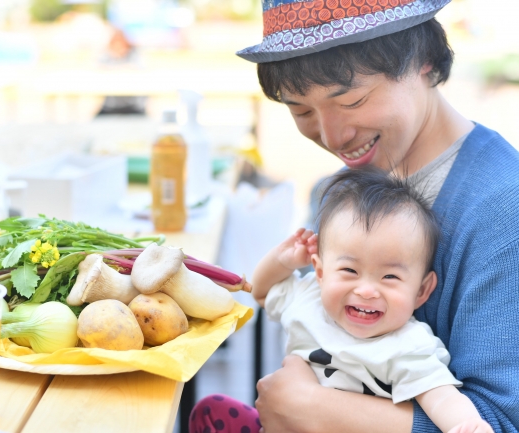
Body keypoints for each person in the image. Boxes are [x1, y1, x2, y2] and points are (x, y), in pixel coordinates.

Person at [190, 0, 519, 432]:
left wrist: (313, 409)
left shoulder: (503, 210)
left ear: (422, 62)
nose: (332, 136)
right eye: (301, 111)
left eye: (351, 100)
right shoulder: (334, 192)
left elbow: (499, 420)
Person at [189, 168, 492, 433]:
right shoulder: (308, 299)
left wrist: (466, 425)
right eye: (349, 270)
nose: (366, 290)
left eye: (389, 278)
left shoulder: (409, 346)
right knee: (212, 409)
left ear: (422, 291)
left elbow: (440, 396)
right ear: (320, 272)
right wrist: (281, 261)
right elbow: (262, 291)